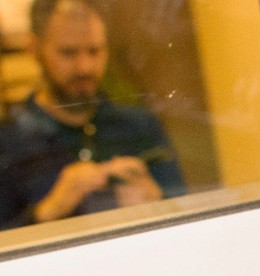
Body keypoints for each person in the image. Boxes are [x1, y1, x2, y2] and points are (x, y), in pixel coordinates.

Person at [0, 0, 185, 229]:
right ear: (34, 49)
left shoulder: (141, 125)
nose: (84, 67)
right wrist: (47, 212)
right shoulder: (8, 142)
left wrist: (157, 202)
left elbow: (187, 216)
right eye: (68, 53)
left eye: (95, 50)